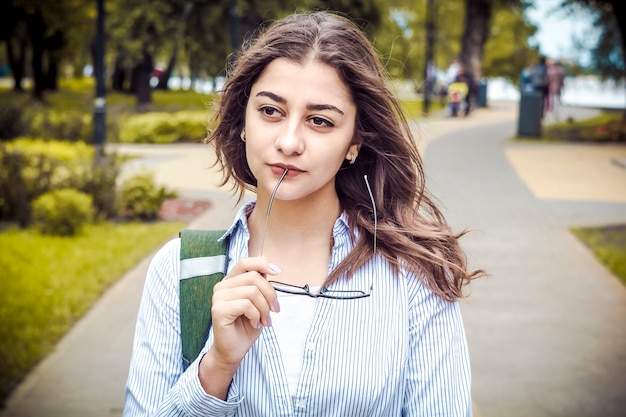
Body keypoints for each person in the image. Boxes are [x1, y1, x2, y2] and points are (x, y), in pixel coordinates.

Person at [123, 11, 483, 417]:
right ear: (243, 120)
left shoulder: (412, 278)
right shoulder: (180, 270)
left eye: (320, 121)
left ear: (355, 142)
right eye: (271, 112)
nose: (289, 141)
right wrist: (217, 367)